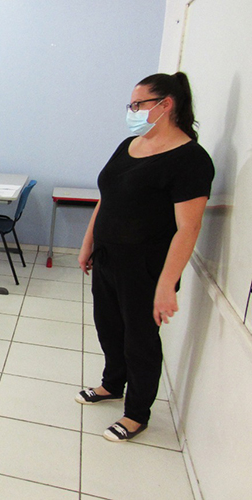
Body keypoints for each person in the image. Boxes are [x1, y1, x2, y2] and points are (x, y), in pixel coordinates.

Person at [76, 72, 214, 442]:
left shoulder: (190, 159)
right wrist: (88, 242)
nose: (132, 111)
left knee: (140, 341)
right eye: (131, 105)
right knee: (108, 327)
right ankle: (112, 384)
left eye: (139, 104)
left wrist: (166, 285)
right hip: (108, 257)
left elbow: (188, 228)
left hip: (146, 268)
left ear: (166, 105)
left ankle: (136, 414)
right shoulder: (129, 145)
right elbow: (107, 197)